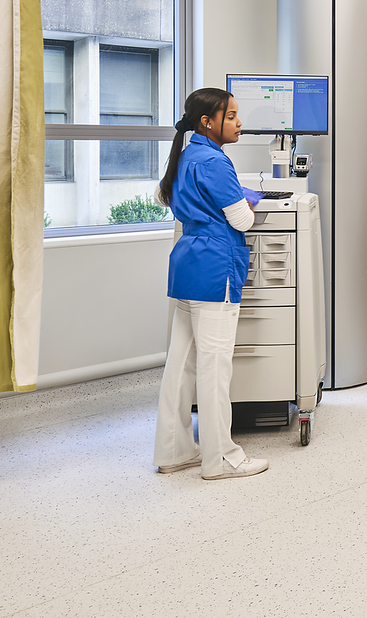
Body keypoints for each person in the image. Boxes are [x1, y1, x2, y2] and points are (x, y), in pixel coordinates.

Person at [152, 87, 270, 480]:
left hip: (189, 265)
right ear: (208, 122)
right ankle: (221, 459)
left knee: (182, 363)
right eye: (232, 116)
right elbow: (242, 221)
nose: (240, 123)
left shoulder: (188, 155)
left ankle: (174, 450)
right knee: (215, 367)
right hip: (216, 268)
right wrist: (247, 202)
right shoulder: (216, 163)